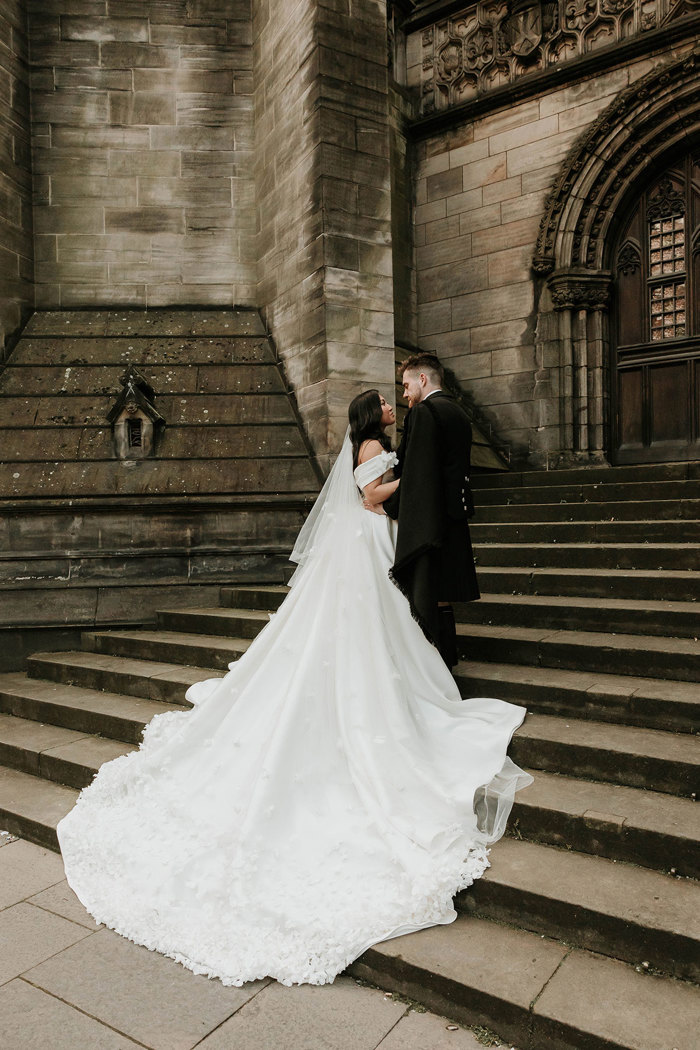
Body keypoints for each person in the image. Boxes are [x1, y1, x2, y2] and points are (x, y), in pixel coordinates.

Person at [57, 390, 532, 989]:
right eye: (385, 402)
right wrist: (404, 484)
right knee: (368, 629)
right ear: (372, 415)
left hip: (362, 543)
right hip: (367, 537)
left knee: (364, 630)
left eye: (393, 399)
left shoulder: (374, 442)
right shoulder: (374, 445)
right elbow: (369, 497)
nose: (391, 404)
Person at [381, 353, 479, 668]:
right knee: (442, 594)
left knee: (427, 594)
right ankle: (447, 664)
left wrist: (388, 507)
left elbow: (416, 474)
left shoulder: (425, 412)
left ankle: (433, 670)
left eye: (407, 386)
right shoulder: (459, 413)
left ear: (423, 379)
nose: (405, 394)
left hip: (429, 521)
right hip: (454, 516)